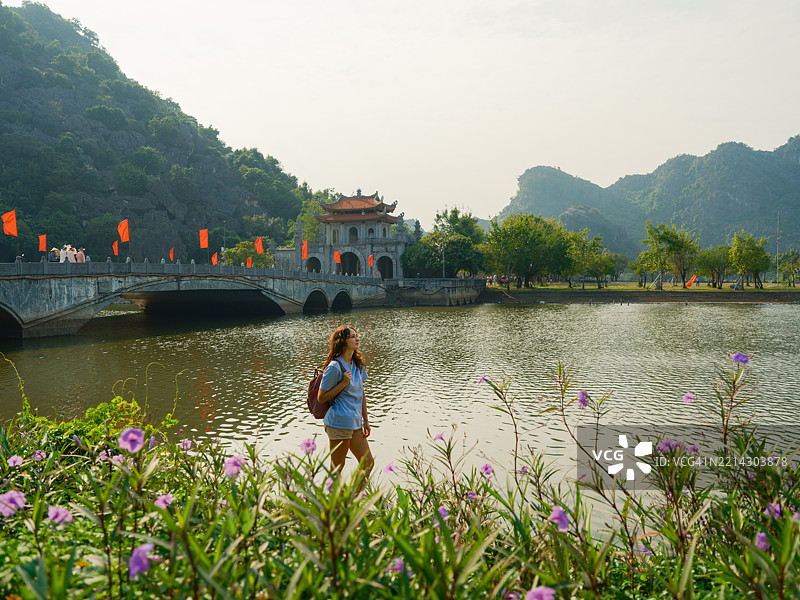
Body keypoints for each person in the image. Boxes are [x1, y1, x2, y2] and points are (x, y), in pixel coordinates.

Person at [318, 325, 373, 481]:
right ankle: (330, 503)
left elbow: (361, 393)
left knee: (368, 463)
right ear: (343, 341)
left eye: (357, 335)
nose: (357, 339)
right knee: (337, 468)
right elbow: (321, 398)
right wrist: (343, 383)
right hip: (339, 423)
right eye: (352, 336)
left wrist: (366, 420)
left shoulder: (357, 364)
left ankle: (353, 500)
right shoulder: (334, 367)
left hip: (355, 423)